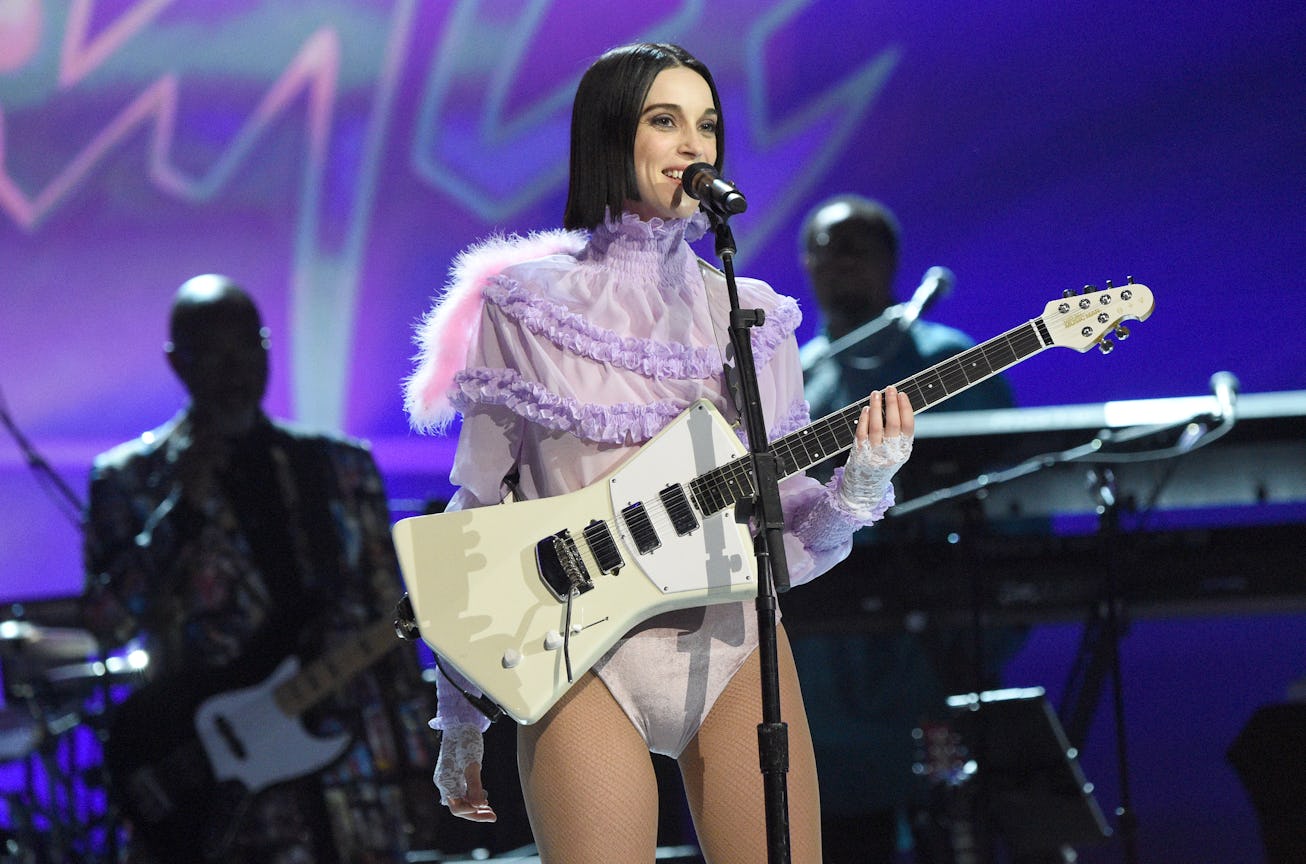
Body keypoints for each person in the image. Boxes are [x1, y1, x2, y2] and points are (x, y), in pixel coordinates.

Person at [402, 43, 915, 864]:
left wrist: (862, 481)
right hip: (583, 655)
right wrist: (460, 714)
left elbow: (785, 534)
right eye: (665, 120)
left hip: (735, 644)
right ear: (611, 137)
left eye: (707, 124)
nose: (693, 145)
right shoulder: (524, 303)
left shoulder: (754, 318)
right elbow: (475, 517)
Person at [82, 275, 438, 863]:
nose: (234, 369)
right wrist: (182, 511)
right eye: (212, 354)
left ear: (267, 349)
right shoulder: (130, 480)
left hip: (349, 773)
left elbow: (389, 621)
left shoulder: (338, 467)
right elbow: (108, 621)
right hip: (229, 794)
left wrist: (422, 762)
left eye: (246, 347)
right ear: (178, 364)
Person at [787, 194, 1022, 863]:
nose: (844, 261)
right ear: (807, 264)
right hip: (821, 688)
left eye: (860, 246)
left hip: (931, 668)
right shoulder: (790, 381)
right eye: (829, 247)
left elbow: (1014, 504)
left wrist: (988, 632)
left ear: (891, 261)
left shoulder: (951, 363)